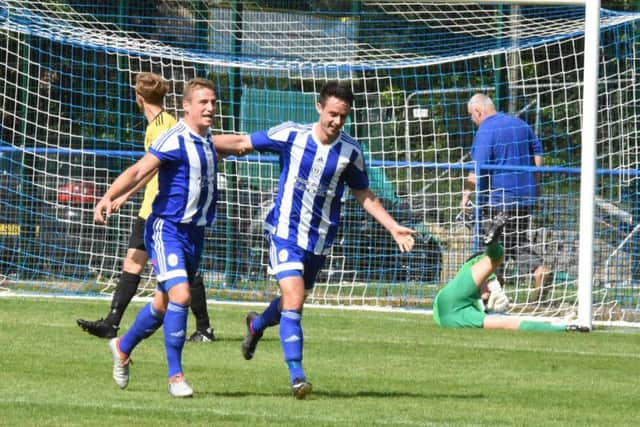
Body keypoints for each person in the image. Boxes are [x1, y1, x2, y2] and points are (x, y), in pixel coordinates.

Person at [214, 80, 416, 399]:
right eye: (332, 114)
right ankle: (297, 377)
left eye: (343, 117)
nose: (336, 122)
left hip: (320, 240)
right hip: (285, 235)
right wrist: (198, 144)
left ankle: (256, 326)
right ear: (319, 107)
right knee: (294, 299)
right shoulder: (291, 135)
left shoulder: (351, 151)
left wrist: (393, 227)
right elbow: (241, 142)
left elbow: (363, 194)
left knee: (290, 302)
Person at [94, 78, 246, 397]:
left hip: (194, 235)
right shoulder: (173, 138)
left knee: (162, 306)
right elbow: (139, 170)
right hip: (167, 229)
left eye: (214, 102)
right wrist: (109, 196)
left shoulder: (207, 142)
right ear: (186, 106)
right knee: (181, 297)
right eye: (203, 102)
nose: (210, 108)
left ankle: (122, 347)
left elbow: (243, 142)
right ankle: (175, 377)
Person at [77, 72, 216, 343]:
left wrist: (124, 194)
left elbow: (149, 168)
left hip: (163, 210)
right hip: (153, 208)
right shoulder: (158, 124)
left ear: (139, 98)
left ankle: (203, 328)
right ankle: (113, 322)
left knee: (181, 274)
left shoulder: (164, 127)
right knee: (134, 261)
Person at [433, 212, 589, 332]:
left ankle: (493, 244)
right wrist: (494, 287)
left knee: (495, 260)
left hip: (449, 302)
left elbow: (509, 322)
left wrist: (563, 328)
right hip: (454, 306)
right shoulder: (470, 314)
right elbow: (513, 324)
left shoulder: (471, 312)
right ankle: (493, 244)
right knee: (494, 260)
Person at [461, 93, 550, 302]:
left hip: (500, 197)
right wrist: (534, 182)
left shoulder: (486, 129)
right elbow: (537, 151)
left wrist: (466, 194)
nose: (472, 121)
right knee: (515, 240)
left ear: (478, 111)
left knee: (490, 241)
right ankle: (536, 271)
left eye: (471, 116)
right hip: (526, 196)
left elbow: (478, 167)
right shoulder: (520, 123)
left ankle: (494, 285)